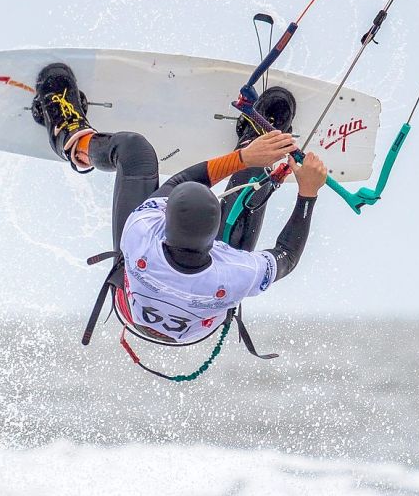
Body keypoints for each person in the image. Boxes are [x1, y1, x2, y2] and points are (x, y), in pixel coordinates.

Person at [31, 63, 328, 346]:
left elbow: (181, 181)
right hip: (205, 295)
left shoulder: (141, 236)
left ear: (165, 222)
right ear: (214, 237)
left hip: (133, 294)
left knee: (135, 151)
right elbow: (286, 257)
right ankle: (254, 142)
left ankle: (69, 138)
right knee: (249, 184)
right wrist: (308, 194)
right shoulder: (235, 271)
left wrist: (246, 161)